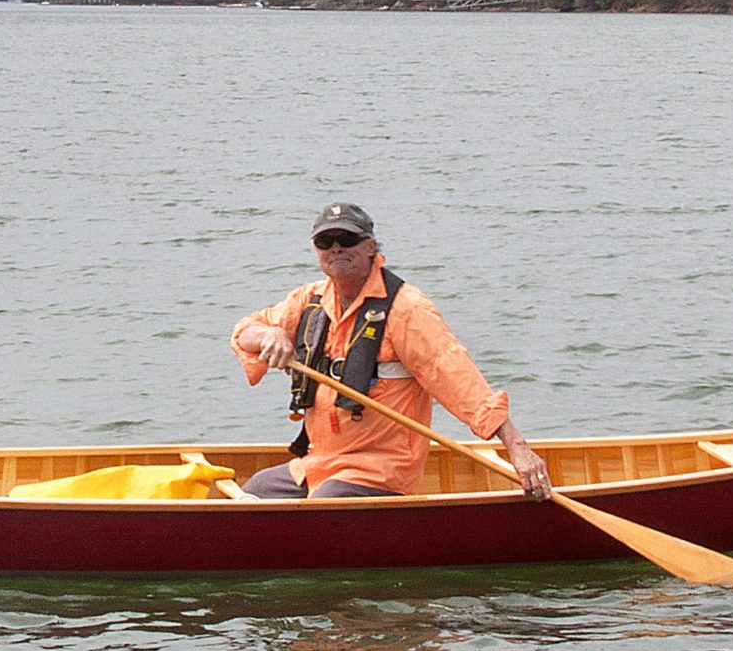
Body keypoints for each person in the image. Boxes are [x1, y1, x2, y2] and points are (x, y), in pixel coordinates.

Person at [231, 203, 553, 500]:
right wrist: (269, 334)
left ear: (371, 246)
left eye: (347, 238)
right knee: (255, 491)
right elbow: (245, 333)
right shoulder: (310, 301)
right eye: (325, 241)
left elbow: (460, 381)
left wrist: (517, 447)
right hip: (319, 462)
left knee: (326, 503)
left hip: (380, 470)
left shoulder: (407, 310)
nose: (336, 247)